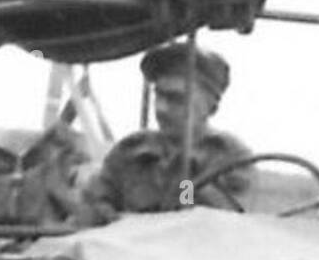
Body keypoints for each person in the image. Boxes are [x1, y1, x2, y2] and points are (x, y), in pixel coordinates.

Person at [76, 41, 253, 226]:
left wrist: (185, 175)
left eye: (176, 99)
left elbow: (213, 224)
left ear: (210, 108)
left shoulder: (229, 158)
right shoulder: (131, 151)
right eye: (158, 95)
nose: (161, 108)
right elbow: (94, 206)